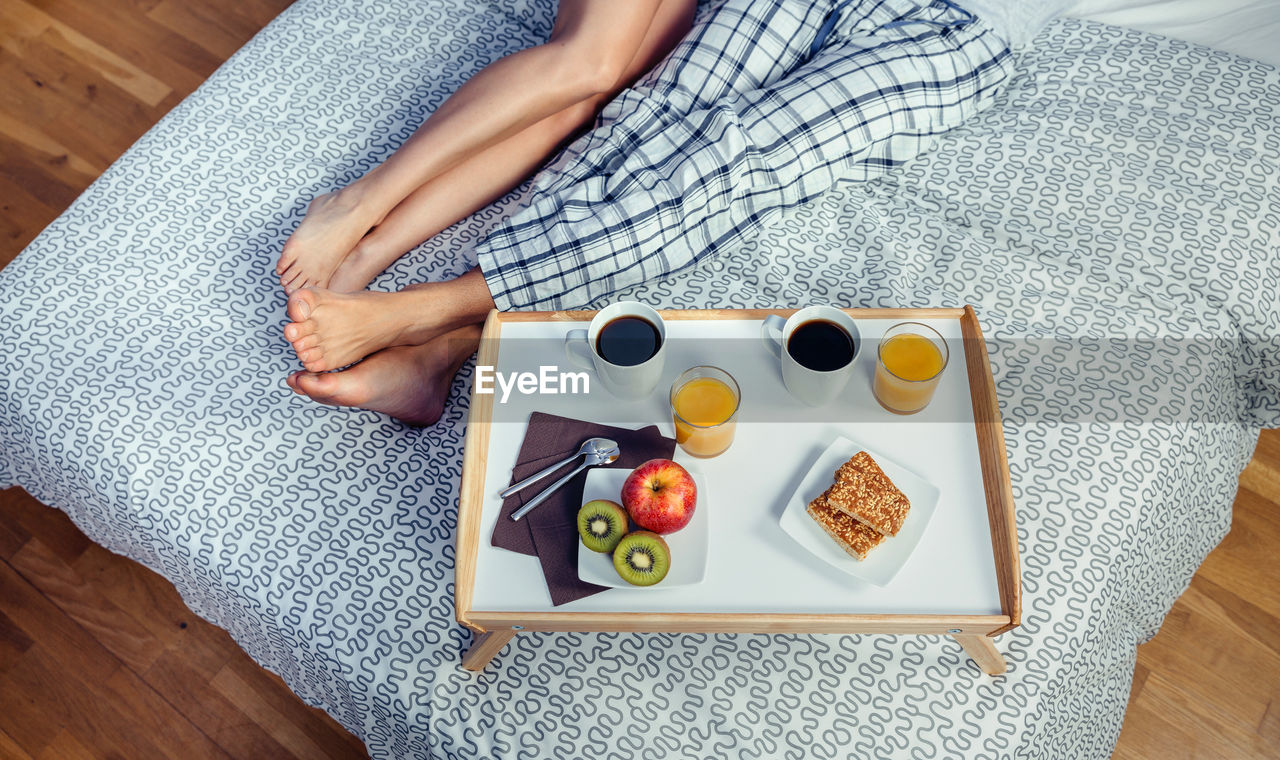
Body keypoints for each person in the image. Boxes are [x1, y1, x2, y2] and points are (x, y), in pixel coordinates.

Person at [283, 0, 1066, 425]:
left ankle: (429, 315)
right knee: (652, 114)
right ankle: (441, 354)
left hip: (957, 24)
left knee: (734, 164)